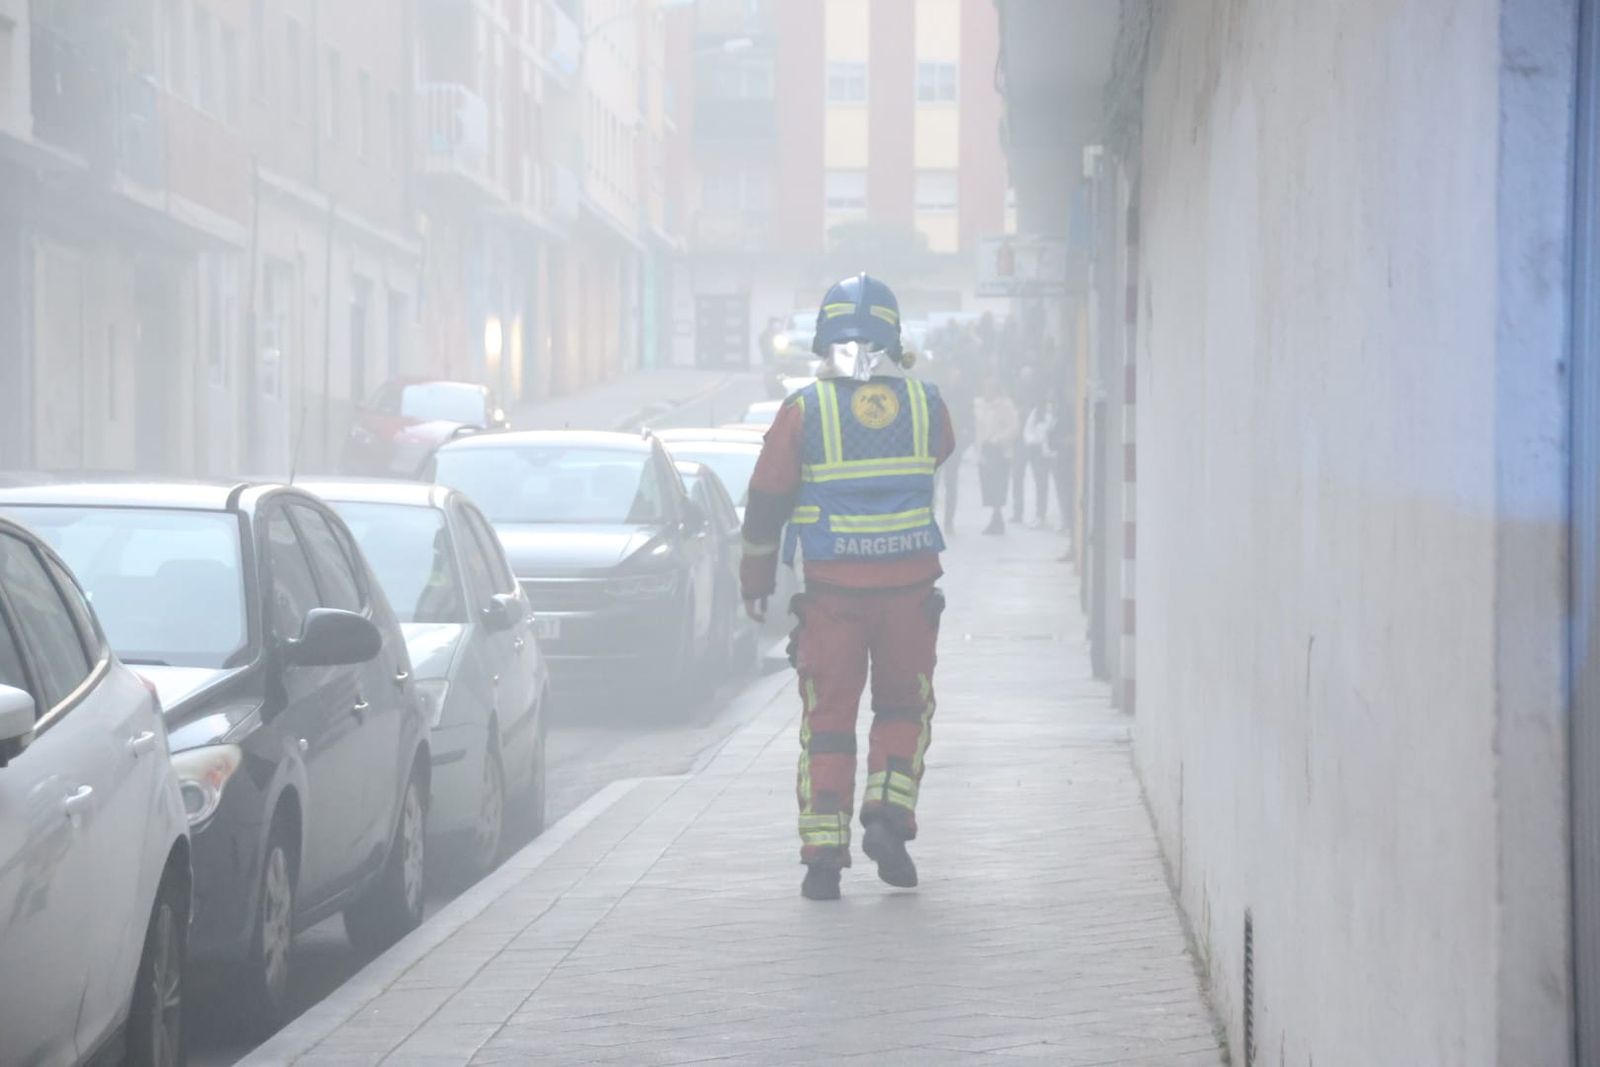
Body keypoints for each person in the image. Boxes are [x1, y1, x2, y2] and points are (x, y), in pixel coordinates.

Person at [739, 273, 956, 902]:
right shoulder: (926, 403)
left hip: (832, 594)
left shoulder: (803, 410)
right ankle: (888, 818)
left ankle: (822, 861)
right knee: (902, 709)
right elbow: (937, 451)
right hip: (911, 592)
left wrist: (755, 580)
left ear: (822, 339)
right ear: (894, 336)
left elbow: (766, 499)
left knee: (828, 720)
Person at [974, 373, 1020, 534]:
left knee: (998, 486)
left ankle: (997, 519)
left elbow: (1014, 427)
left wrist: (998, 438)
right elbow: (977, 428)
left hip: (1000, 451)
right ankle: (996, 519)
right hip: (985, 451)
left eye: (991, 387)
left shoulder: (1006, 405)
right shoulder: (978, 404)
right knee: (988, 486)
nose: (987, 390)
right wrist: (978, 449)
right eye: (986, 387)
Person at [939, 365, 972, 532]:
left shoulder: (964, 397)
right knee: (933, 483)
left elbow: (968, 422)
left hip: (953, 446)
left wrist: (963, 443)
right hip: (938, 445)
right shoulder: (941, 393)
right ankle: (929, 516)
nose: (954, 379)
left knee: (951, 484)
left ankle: (948, 520)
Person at [1009, 364, 1037, 522]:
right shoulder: (1016, 394)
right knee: (1017, 476)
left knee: (1040, 477)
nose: (1026, 380)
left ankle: (1040, 513)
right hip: (1019, 440)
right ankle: (1018, 512)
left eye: (1029, 377)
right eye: (1024, 377)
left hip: (1034, 441)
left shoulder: (1037, 395)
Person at [1022, 398, 1053, 527]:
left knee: (1044, 484)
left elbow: (1049, 431)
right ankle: (1040, 515)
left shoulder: (1052, 413)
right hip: (1036, 452)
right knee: (1040, 484)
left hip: (1049, 453)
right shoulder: (1036, 413)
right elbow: (1027, 432)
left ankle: (1042, 514)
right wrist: (1034, 441)